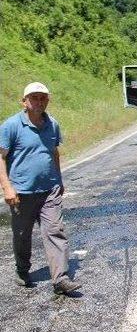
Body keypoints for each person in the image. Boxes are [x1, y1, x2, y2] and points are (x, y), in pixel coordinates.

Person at [0, 82, 81, 294]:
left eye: (43, 98)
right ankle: (22, 269)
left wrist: (59, 180)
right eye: (34, 98)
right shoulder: (11, 126)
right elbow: (1, 157)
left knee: (55, 231)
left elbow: (54, 152)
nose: (39, 102)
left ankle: (60, 278)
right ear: (24, 101)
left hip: (49, 190)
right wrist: (7, 187)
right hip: (21, 193)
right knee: (22, 234)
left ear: (48, 100)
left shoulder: (52, 124)